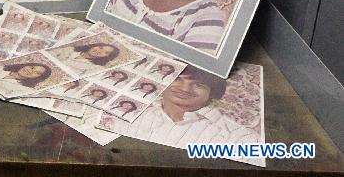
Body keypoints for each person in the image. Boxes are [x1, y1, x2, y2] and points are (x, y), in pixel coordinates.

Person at [105, 66, 260, 147]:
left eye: (199, 85)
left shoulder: (232, 133)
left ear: (211, 94)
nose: (185, 89)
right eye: (178, 80)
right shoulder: (128, 108)